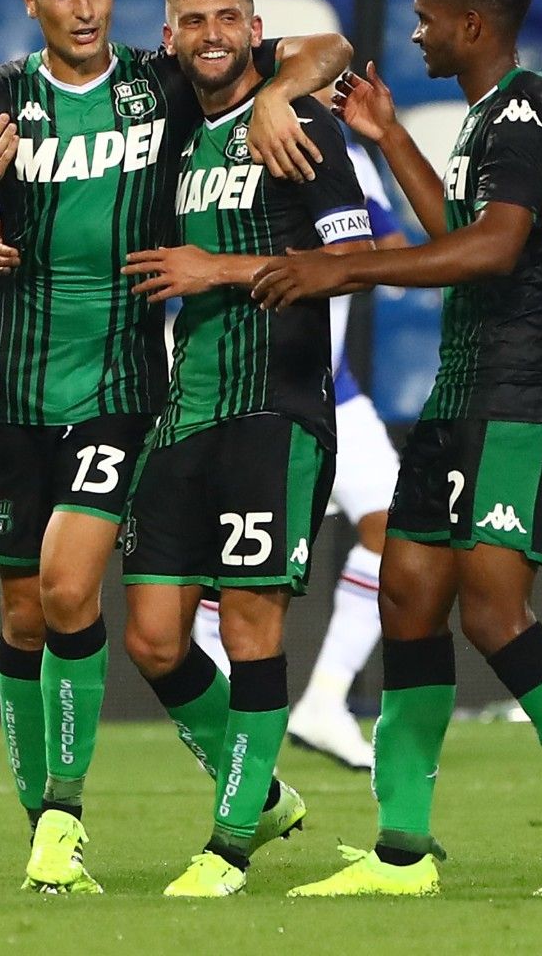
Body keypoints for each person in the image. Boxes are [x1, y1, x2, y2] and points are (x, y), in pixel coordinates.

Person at [0, 0, 349, 895]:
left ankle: (66, 818)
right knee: (25, 614)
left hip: (122, 385)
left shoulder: (158, 84)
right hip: (14, 384)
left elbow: (330, 53)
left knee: (72, 590)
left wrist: (281, 88)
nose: (84, 10)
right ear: (32, 2)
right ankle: (87, 821)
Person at [256, 0, 542, 899]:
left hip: (521, 389)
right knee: (406, 592)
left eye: (428, 15)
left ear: (472, 24)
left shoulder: (523, 113)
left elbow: (493, 249)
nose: (414, 30)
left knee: (492, 610)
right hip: (464, 387)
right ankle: (404, 851)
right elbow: (463, 232)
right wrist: (391, 136)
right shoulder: (490, 116)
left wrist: (345, 265)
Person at [116, 0, 375, 899]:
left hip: (277, 405)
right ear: (173, 33)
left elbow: (353, 258)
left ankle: (227, 846)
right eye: (195, 20)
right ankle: (260, 791)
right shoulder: (181, 122)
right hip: (188, 410)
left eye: (230, 17)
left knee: (255, 627)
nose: (214, 34)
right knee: (152, 637)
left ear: (254, 29)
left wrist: (216, 271)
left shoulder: (297, 120)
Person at [190, 124, 410, 772]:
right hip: (235, 385)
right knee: (224, 568)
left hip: (330, 388)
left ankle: (324, 701)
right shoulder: (206, 148)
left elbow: (381, 252)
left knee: (394, 534)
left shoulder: (335, 149)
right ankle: (230, 721)